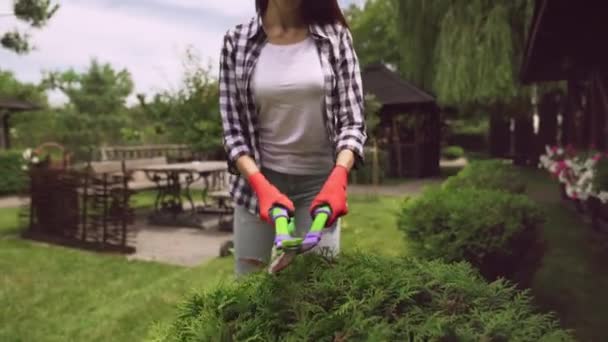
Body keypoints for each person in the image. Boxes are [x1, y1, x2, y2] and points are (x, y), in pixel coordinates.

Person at [219, 0, 367, 276]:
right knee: (249, 288)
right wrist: (261, 186)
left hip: (320, 189)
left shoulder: (335, 37)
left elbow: (353, 122)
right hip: (258, 186)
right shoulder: (236, 41)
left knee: (318, 291)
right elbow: (233, 131)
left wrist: (338, 176)